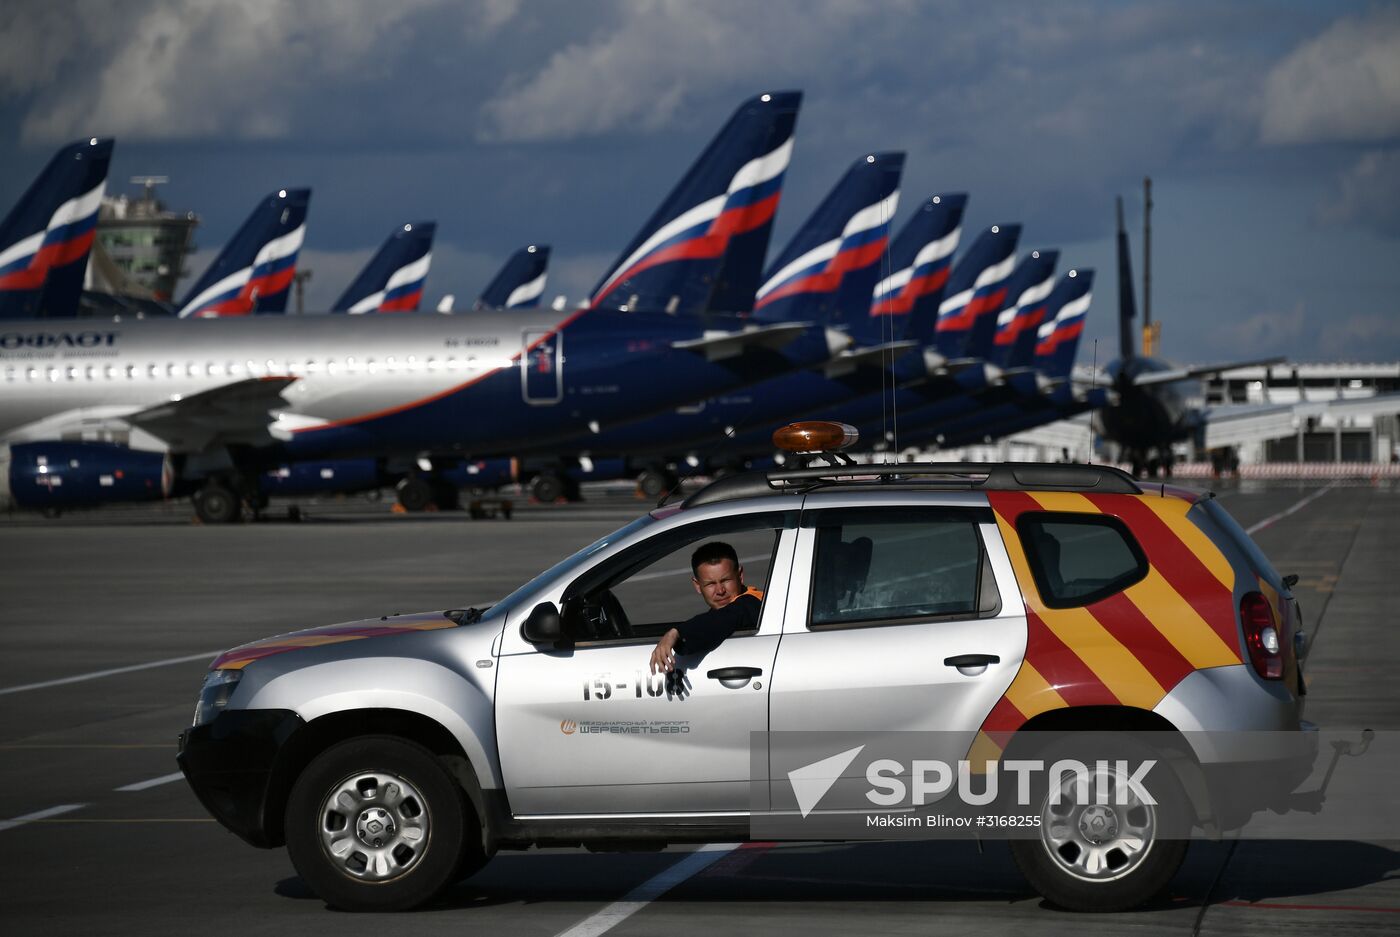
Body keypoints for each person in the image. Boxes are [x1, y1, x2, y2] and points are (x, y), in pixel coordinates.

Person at [648, 541, 762, 673]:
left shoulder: (753, 603)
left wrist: (676, 633)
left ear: (740, 576)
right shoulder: (717, 614)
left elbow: (726, 617)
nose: (720, 590)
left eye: (726, 580)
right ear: (697, 585)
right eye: (711, 584)